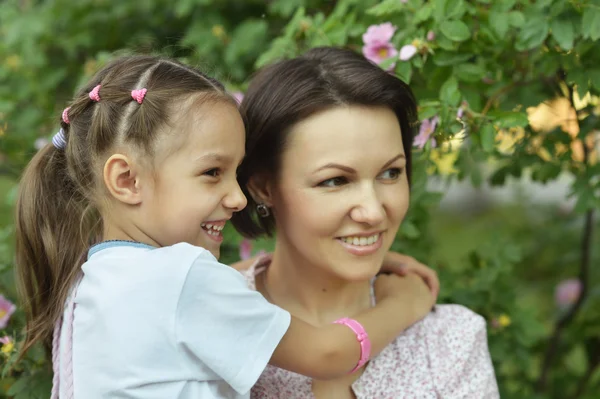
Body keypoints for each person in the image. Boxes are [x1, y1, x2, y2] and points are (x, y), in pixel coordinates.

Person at [13, 55, 436, 398]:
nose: (238, 198)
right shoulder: (180, 279)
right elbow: (327, 353)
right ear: (127, 180)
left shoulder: (90, 285)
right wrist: (405, 305)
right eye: (213, 172)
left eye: (236, 173)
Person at [233, 47, 500, 398]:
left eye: (390, 173)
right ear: (264, 188)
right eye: (335, 181)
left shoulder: (449, 341)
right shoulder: (215, 318)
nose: (374, 212)